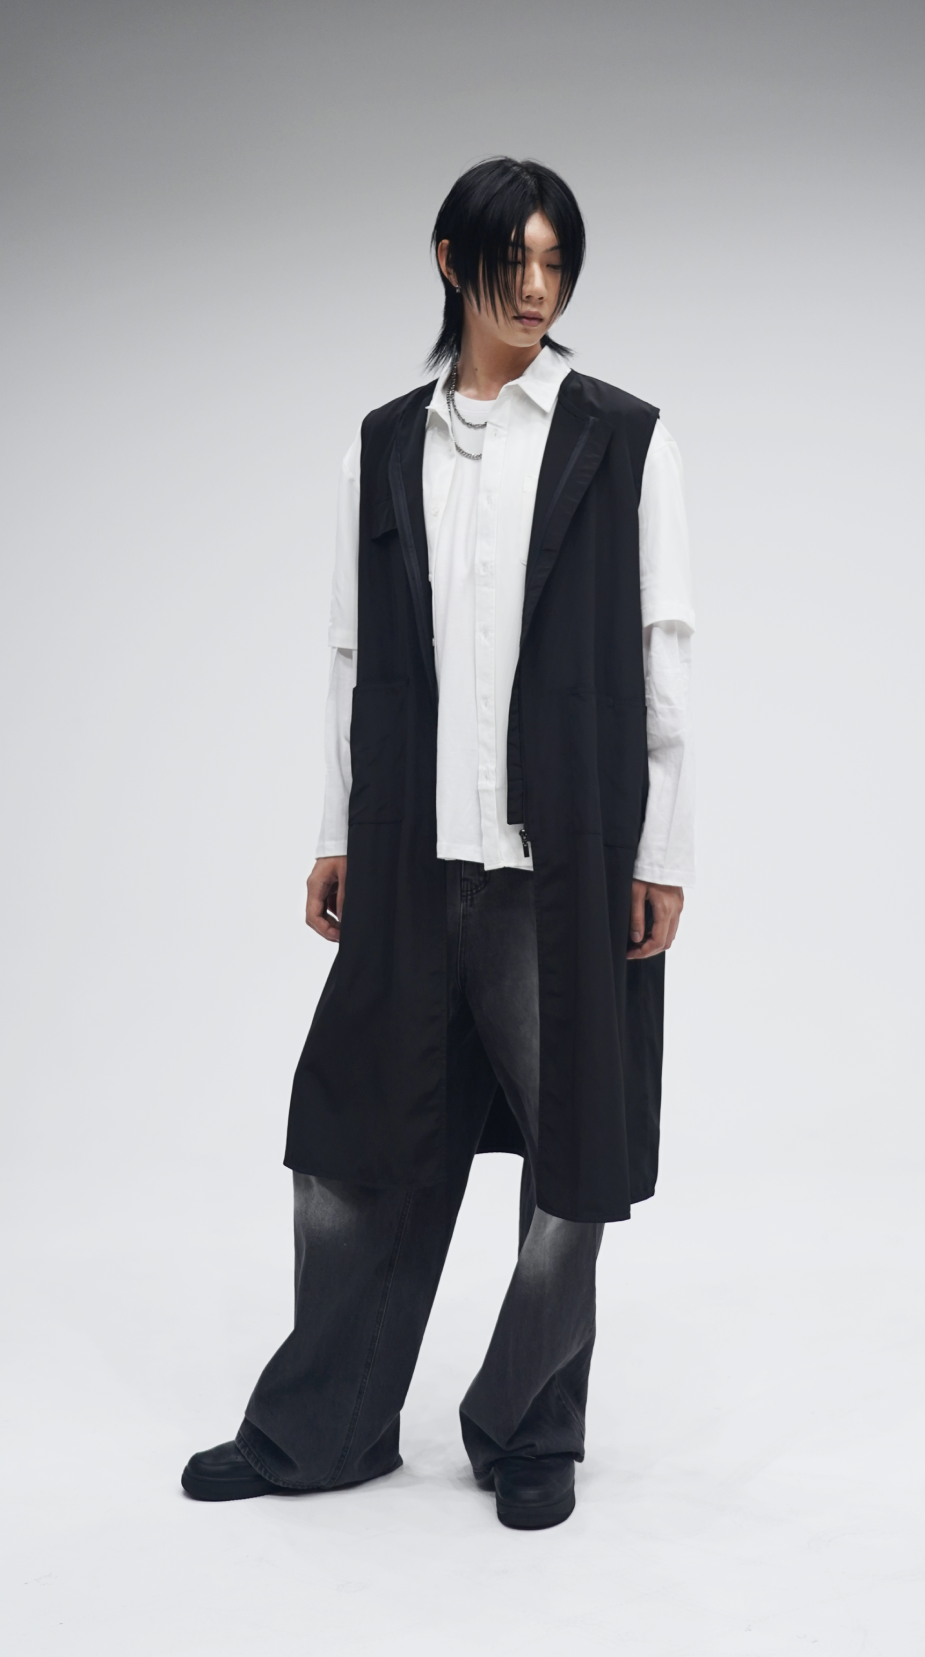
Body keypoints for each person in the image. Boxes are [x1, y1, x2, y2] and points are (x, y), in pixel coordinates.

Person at [181, 156, 695, 1530]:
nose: (537, 290)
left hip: (562, 859)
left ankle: (528, 1429)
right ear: (451, 261)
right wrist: (334, 828)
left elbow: (664, 657)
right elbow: (351, 656)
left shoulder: (622, 439)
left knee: (573, 1151)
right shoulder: (381, 443)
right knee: (355, 1137)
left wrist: (663, 851)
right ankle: (326, 1427)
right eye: (513, 261)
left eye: (557, 265)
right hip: (410, 857)